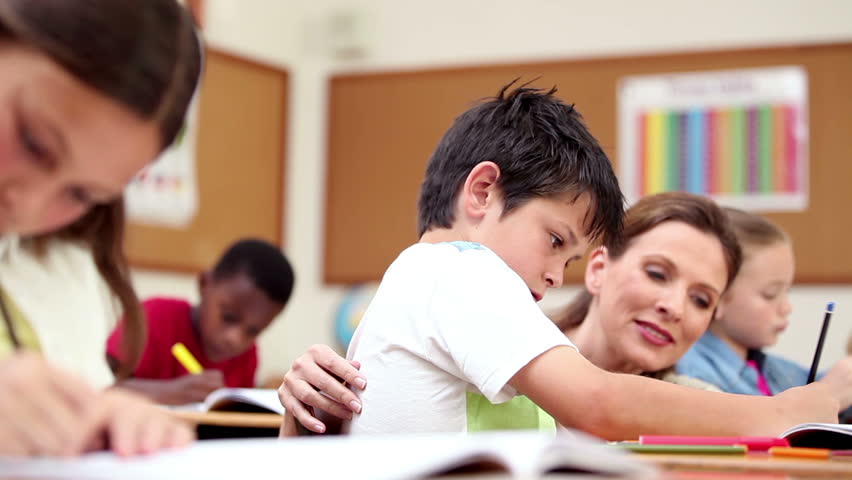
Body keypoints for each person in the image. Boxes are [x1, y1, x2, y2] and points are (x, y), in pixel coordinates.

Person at [283, 82, 837, 440]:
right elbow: (596, 402)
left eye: (567, 260)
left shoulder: (426, 278)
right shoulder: (460, 270)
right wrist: (781, 413)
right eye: (555, 242)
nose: (554, 276)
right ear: (482, 193)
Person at [0, 0, 202, 456]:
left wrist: (108, 425)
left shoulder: (54, 269)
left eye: (81, 194)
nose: (26, 206)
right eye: (34, 142)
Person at [677, 208, 852, 409]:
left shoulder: (772, 368)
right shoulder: (691, 375)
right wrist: (826, 399)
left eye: (787, 292)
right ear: (716, 296)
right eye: (770, 294)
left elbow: (825, 383)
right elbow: (743, 427)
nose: (786, 307)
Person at [107, 238, 295, 405]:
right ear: (205, 284)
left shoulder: (247, 356)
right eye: (228, 317)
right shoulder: (153, 317)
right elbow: (99, 389)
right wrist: (170, 392)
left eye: (253, 331)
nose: (235, 339)